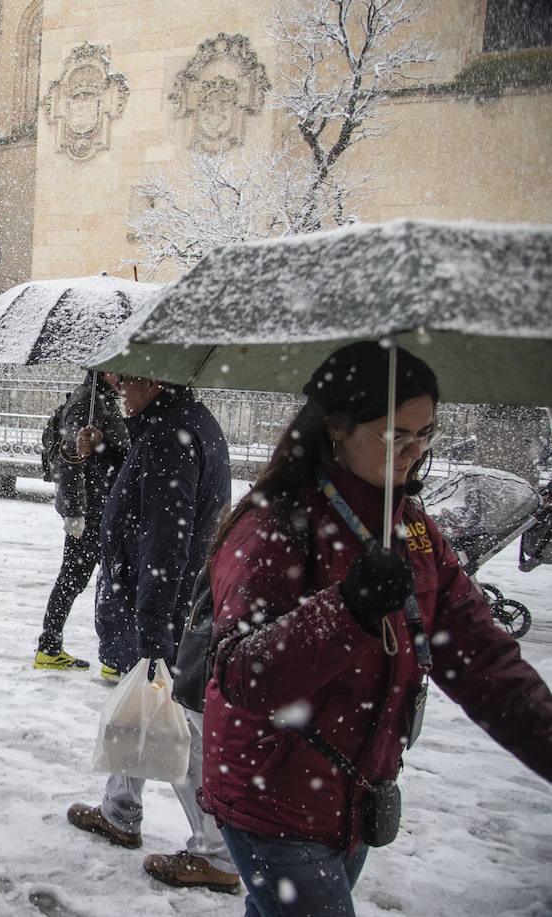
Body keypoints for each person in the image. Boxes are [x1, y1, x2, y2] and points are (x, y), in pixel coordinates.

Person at [200, 341, 552, 915]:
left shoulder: (413, 530)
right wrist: (348, 610)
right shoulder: (274, 522)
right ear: (337, 429)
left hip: (353, 794)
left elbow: (485, 662)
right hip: (273, 793)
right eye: (398, 436)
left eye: (426, 435)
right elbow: (241, 673)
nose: (415, 453)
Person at [67, 373, 238, 893]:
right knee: (146, 705)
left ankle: (218, 852)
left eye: (128, 376)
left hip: (171, 606)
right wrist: (106, 455)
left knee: (177, 721)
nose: (117, 385)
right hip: (179, 600)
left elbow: (167, 537)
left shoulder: (170, 434)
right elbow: (152, 497)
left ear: (156, 379)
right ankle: (120, 810)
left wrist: (154, 627)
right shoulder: (179, 425)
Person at [35, 371, 128, 671]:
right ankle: (110, 658)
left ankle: (51, 647)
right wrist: (75, 513)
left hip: (99, 507)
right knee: (102, 581)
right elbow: (70, 459)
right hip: (92, 512)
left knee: (83, 580)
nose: (124, 378)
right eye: (118, 372)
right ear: (103, 371)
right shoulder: (85, 403)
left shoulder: (101, 401)